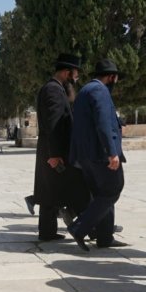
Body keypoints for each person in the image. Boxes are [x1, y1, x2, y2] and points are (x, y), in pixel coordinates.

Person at [67, 59, 127, 252]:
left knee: (101, 195)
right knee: (113, 190)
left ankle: (104, 236)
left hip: (86, 156)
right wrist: (111, 152)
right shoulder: (100, 91)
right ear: (111, 77)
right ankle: (79, 227)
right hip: (100, 155)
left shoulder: (85, 90)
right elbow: (102, 124)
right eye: (115, 78)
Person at [33, 53, 90, 242]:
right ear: (66, 73)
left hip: (52, 150)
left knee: (50, 192)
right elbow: (54, 124)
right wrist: (55, 154)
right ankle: (91, 228)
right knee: (75, 190)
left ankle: (47, 232)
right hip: (55, 151)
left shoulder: (55, 89)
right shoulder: (53, 91)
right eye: (75, 74)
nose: (76, 78)